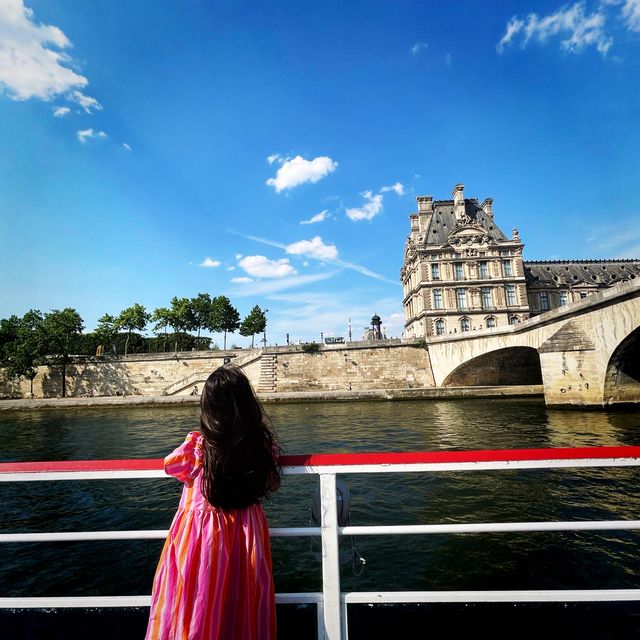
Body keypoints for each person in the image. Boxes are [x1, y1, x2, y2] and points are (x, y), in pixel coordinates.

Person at [145, 366, 282, 640]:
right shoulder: (262, 447)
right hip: (246, 532)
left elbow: (172, 467)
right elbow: (269, 479)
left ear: (207, 407)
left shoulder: (196, 447)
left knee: (195, 602)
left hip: (199, 538)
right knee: (242, 601)